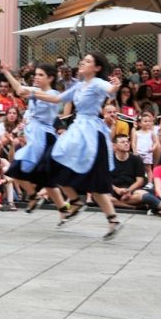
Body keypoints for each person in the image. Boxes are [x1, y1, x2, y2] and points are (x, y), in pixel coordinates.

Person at [35, 52, 124, 238]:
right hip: (77, 132)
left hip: (91, 134)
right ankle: (75, 201)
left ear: (97, 68)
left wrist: (116, 85)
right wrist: (32, 92)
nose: (83, 62)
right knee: (54, 163)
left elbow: (110, 90)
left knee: (94, 179)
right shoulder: (79, 86)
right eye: (83, 60)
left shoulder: (98, 83)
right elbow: (57, 99)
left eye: (88, 61)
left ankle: (112, 219)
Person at [0, 62, 69, 215]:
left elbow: (29, 93)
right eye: (36, 74)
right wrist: (6, 72)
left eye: (40, 75)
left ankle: (61, 206)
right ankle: (40, 198)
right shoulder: (35, 90)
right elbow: (19, 89)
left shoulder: (54, 94)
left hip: (46, 138)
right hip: (35, 136)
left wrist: (29, 92)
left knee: (33, 172)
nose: (36, 77)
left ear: (50, 78)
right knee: (18, 169)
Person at [109, 133, 161, 216]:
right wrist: (117, 189)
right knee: (100, 196)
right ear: (114, 146)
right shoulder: (108, 159)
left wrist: (128, 191)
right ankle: (131, 207)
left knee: (144, 195)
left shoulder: (136, 159)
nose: (126, 143)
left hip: (131, 191)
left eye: (127, 141)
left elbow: (140, 181)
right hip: (114, 191)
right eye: (122, 142)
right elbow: (105, 179)